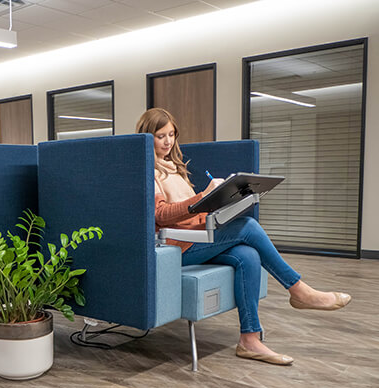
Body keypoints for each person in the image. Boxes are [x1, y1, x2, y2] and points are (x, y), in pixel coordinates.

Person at [137, 108, 351, 365]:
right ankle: (299, 290)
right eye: (161, 136)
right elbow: (161, 215)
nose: (168, 141)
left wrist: (219, 199)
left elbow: (189, 213)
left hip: (196, 237)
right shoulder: (148, 171)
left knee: (248, 255)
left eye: (172, 134)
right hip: (176, 247)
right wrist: (202, 198)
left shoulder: (175, 168)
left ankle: (249, 340)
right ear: (148, 137)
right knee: (247, 226)